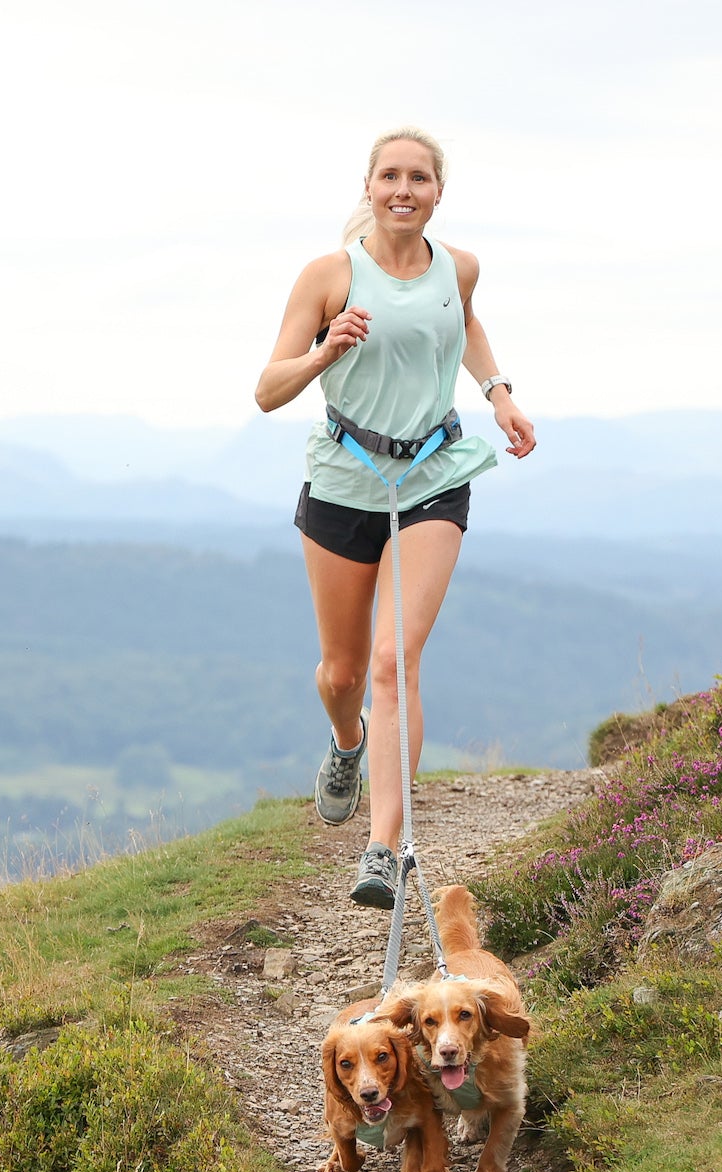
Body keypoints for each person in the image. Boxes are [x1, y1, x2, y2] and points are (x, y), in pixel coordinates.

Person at [253, 126, 536, 908]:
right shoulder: (330, 274)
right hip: (346, 478)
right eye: (390, 177)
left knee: (393, 663)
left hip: (434, 474)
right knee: (343, 675)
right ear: (369, 187)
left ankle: (384, 847)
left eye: (419, 178)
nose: (403, 190)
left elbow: (465, 323)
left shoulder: (460, 268)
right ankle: (347, 743)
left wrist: (498, 392)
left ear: (439, 191)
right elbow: (267, 389)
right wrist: (323, 351)